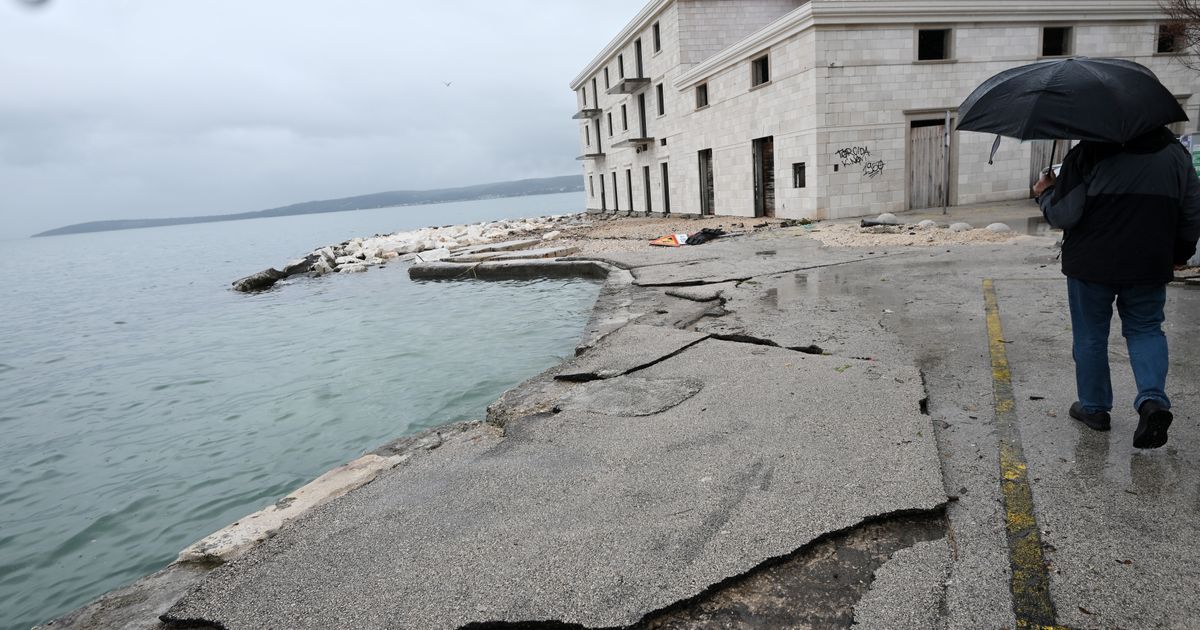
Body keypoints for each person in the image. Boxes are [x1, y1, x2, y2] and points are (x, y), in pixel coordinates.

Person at [1033, 126, 1200, 449]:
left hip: (1091, 263)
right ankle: (1152, 402)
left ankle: (1094, 409)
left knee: (1090, 334)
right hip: (1149, 261)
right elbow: (1192, 209)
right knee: (1147, 329)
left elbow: (1064, 214)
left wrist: (1046, 192)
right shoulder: (1174, 153)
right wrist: (1179, 253)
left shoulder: (1088, 151)